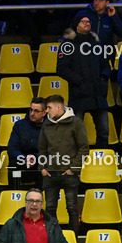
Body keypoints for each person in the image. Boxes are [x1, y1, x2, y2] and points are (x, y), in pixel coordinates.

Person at [58, 11, 112, 148]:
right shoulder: (67, 44)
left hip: (97, 93)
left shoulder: (96, 43)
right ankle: (79, 162)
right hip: (79, 94)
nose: (87, 23)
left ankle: (102, 158)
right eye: (84, 21)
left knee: (104, 130)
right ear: (77, 25)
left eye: (88, 21)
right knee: (77, 132)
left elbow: (105, 65)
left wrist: (103, 77)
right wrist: (79, 81)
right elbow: (62, 68)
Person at [38, 94, 88, 233]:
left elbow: (84, 147)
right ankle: (53, 240)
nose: (46, 111)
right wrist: (42, 168)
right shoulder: (46, 124)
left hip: (69, 173)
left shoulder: (76, 123)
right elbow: (42, 148)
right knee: (50, 209)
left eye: (49, 107)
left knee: (72, 208)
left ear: (59, 107)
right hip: (50, 173)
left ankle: (74, 240)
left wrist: (74, 168)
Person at [8, 98, 46, 190]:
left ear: (44, 113)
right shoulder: (19, 125)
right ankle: (15, 194)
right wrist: (24, 158)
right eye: (31, 110)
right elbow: (12, 148)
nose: (32, 113)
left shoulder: (50, 127)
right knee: (13, 164)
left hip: (40, 162)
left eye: (36, 111)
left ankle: (42, 197)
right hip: (22, 162)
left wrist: (35, 158)